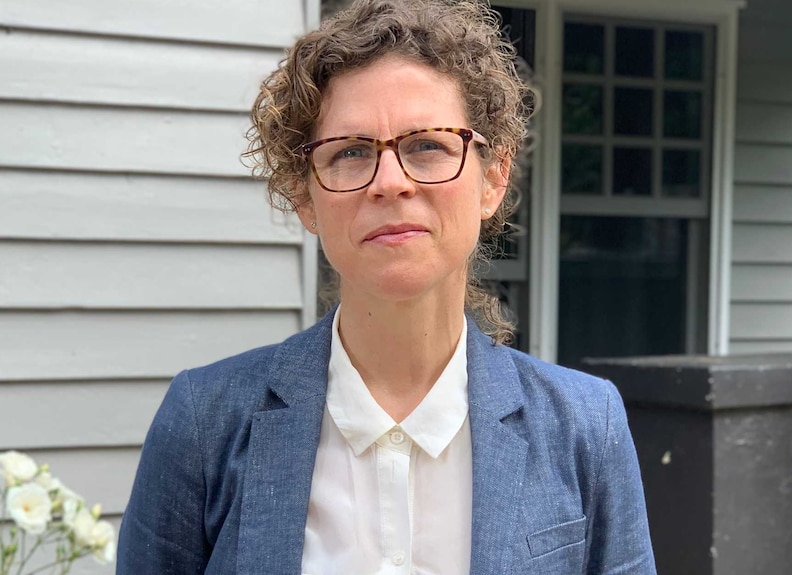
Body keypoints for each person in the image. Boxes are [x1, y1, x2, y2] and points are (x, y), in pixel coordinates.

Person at [116, 0, 657, 573]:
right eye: (350, 152)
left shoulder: (585, 426)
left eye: (428, 145)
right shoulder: (205, 423)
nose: (391, 183)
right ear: (305, 197)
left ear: (493, 178)